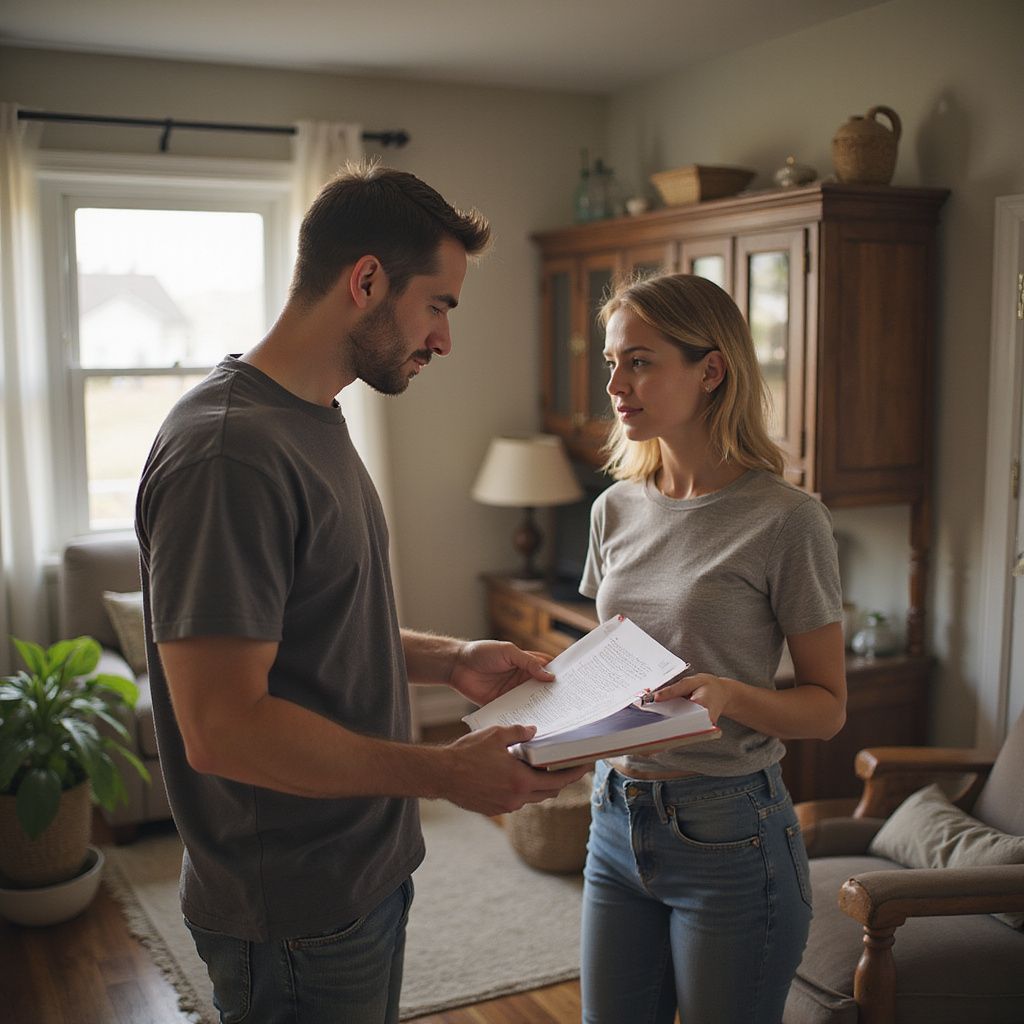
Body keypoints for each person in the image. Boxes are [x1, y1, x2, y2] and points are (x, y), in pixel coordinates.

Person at [135, 162, 587, 1024]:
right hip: (295, 915)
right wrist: (443, 774)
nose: (445, 339)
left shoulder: (313, 417)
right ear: (367, 280)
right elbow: (223, 728)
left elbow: (319, 624)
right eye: (440, 305)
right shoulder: (229, 453)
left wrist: (454, 660)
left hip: (363, 877)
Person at [579, 272, 847, 1024]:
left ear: (711, 369)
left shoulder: (787, 520)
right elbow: (610, 662)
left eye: (639, 360)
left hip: (730, 832)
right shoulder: (614, 508)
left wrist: (729, 697)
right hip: (612, 818)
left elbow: (826, 709)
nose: (616, 384)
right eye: (610, 362)